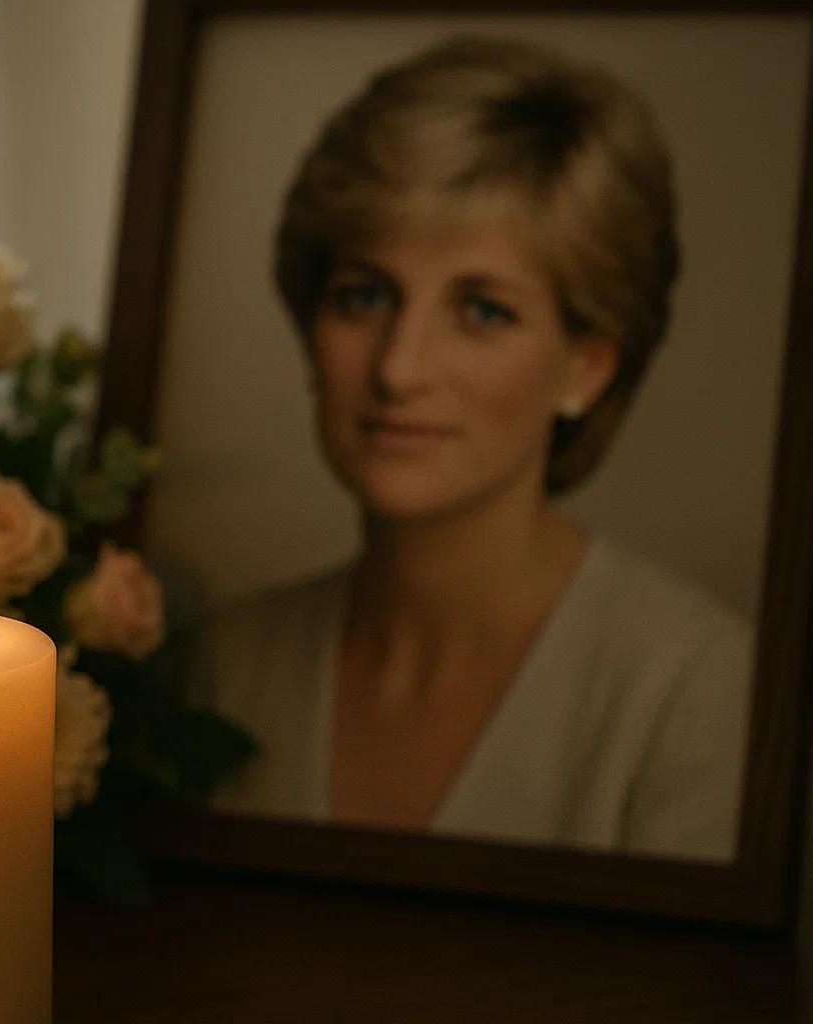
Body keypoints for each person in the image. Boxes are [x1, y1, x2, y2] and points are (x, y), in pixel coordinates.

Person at [197, 36, 752, 864]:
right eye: (364, 295)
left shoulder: (699, 692)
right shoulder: (225, 663)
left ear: (586, 364)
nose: (399, 368)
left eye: (483, 310)